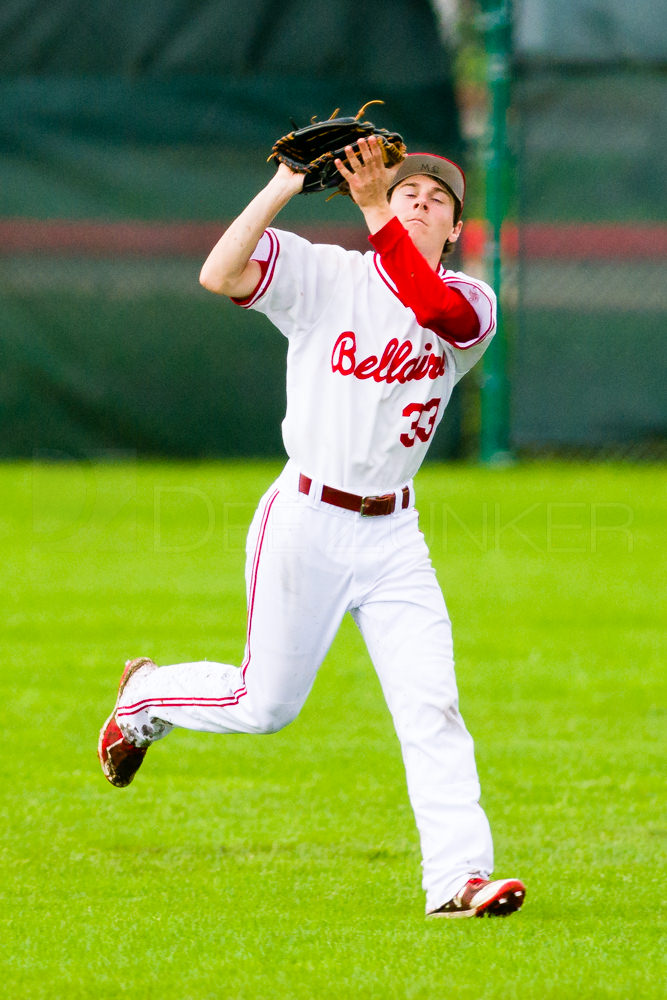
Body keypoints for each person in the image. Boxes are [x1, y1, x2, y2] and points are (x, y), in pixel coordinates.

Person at [98, 136, 525, 918]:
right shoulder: (327, 273)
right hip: (306, 520)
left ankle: (457, 882)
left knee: (432, 705)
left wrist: (371, 209)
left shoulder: (473, 304)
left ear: (455, 230)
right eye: (408, 192)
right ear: (385, 201)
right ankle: (145, 700)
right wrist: (283, 185)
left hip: (395, 538)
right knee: (266, 706)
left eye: (438, 201)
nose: (421, 202)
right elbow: (219, 273)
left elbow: (430, 308)